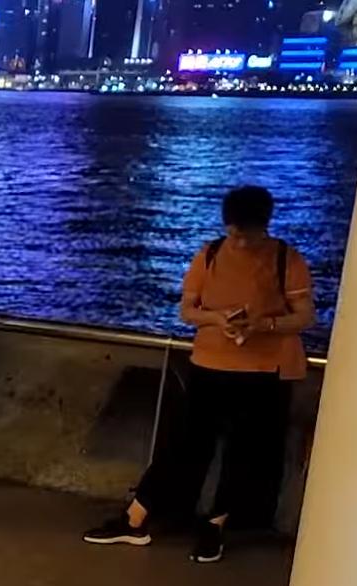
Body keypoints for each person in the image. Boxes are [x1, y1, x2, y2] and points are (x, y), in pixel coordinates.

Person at [85, 185, 316, 562]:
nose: (240, 243)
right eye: (234, 234)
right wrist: (217, 319)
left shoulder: (286, 259)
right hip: (209, 363)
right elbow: (188, 310)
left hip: (265, 370)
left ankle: (215, 525)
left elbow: (305, 315)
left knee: (245, 453)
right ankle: (136, 517)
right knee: (183, 444)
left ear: (264, 226)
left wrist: (264, 325)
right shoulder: (208, 255)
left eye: (247, 235)